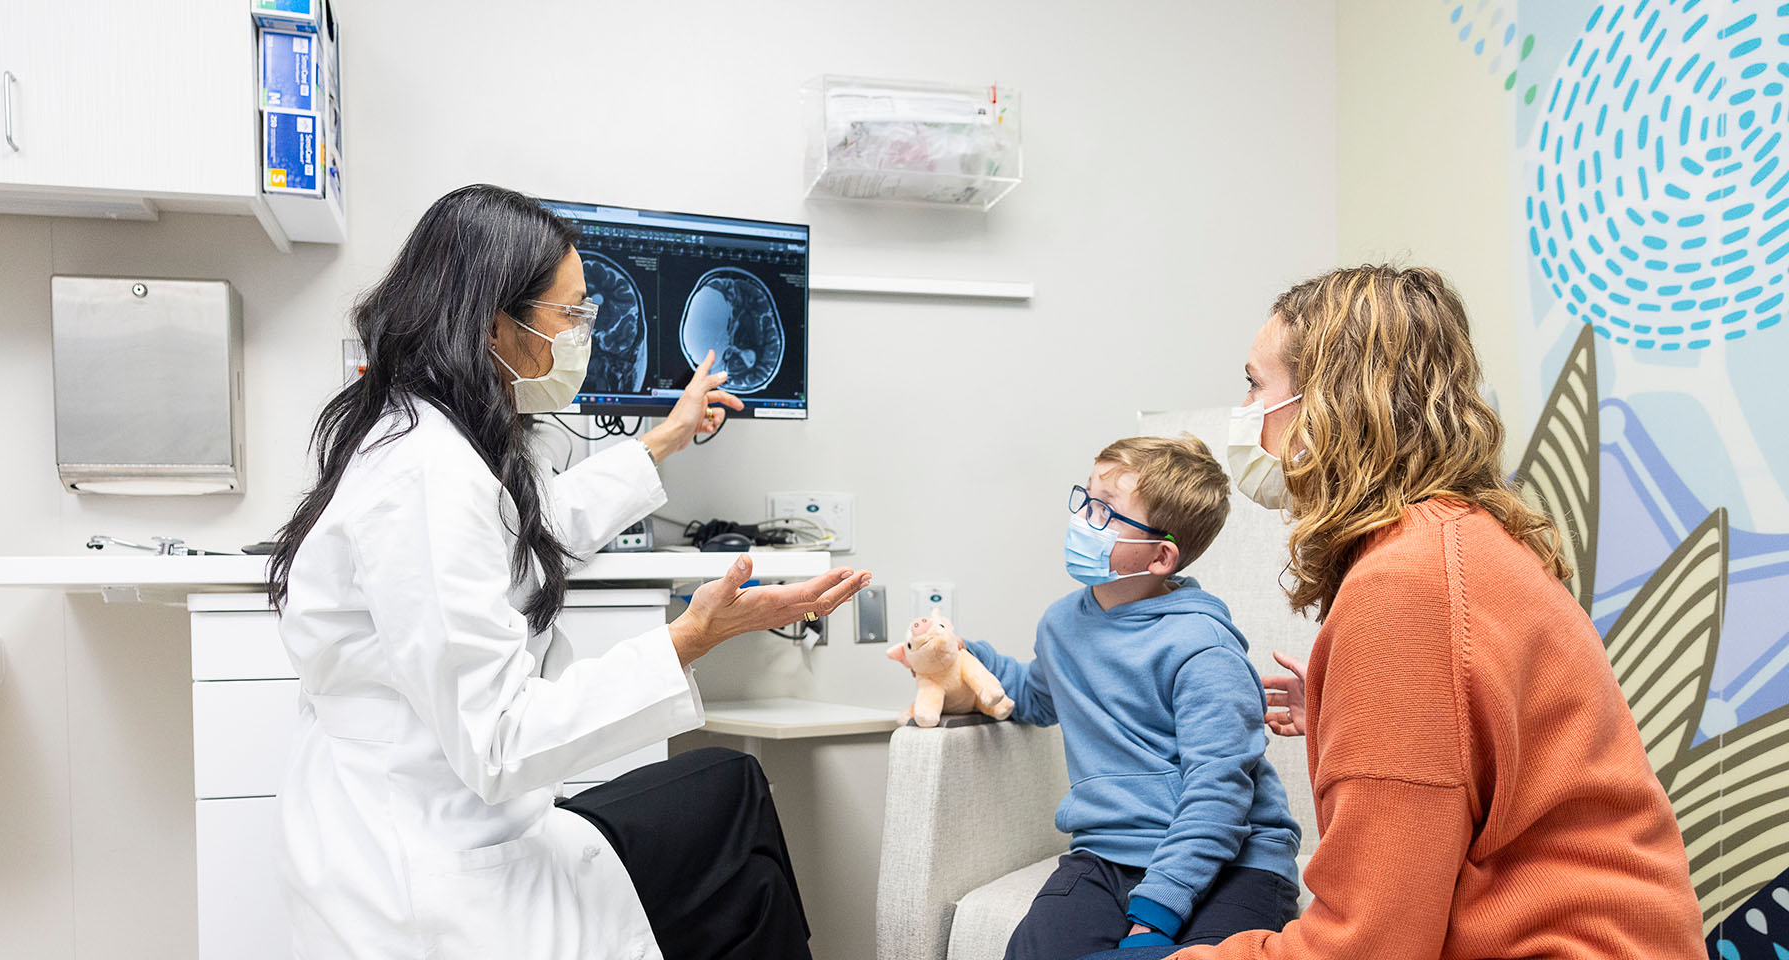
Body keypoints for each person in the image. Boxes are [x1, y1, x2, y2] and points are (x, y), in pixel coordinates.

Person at [266, 184, 869, 960]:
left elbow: (527, 531)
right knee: (734, 824)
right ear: (494, 325)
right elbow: (501, 742)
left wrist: (664, 440)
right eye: (572, 314)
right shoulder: (423, 477)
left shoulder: (430, 435)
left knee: (732, 799)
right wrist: (690, 638)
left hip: (447, 817)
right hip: (429, 868)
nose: (585, 333)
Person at [1114, 265, 1705, 960]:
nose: (1243, 411)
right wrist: (1358, 713)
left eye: (1255, 384)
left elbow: (1367, 947)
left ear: (1327, 405)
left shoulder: (1407, 586)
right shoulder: (1460, 540)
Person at [961, 435, 1303, 960]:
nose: (1083, 521)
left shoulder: (1203, 647)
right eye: (1086, 499)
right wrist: (964, 659)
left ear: (1161, 555)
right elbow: (1034, 696)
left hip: (1236, 858)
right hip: (1108, 853)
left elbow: (1219, 795)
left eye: (1105, 513)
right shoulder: (1061, 625)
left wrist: (1157, 911)